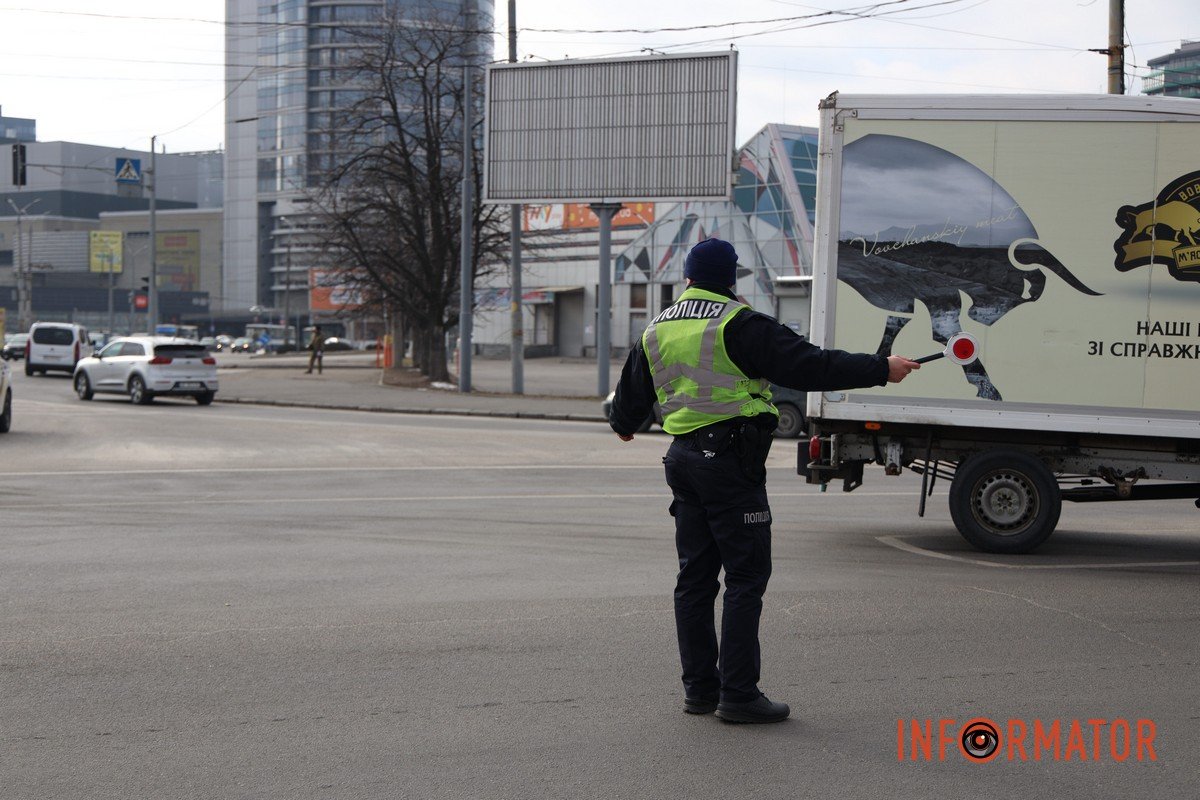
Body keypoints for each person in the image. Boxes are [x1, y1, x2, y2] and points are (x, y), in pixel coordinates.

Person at [609, 237, 919, 724]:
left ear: (688, 277)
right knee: (746, 577)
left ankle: (700, 692)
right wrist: (882, 368)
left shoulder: (656, 328)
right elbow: (811, 364)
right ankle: (738, 695)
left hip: (683, 460)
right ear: (732, 279)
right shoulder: (740, 323)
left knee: (694, 580)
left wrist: (626, 426)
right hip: (731, 463)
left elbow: (627, 404)